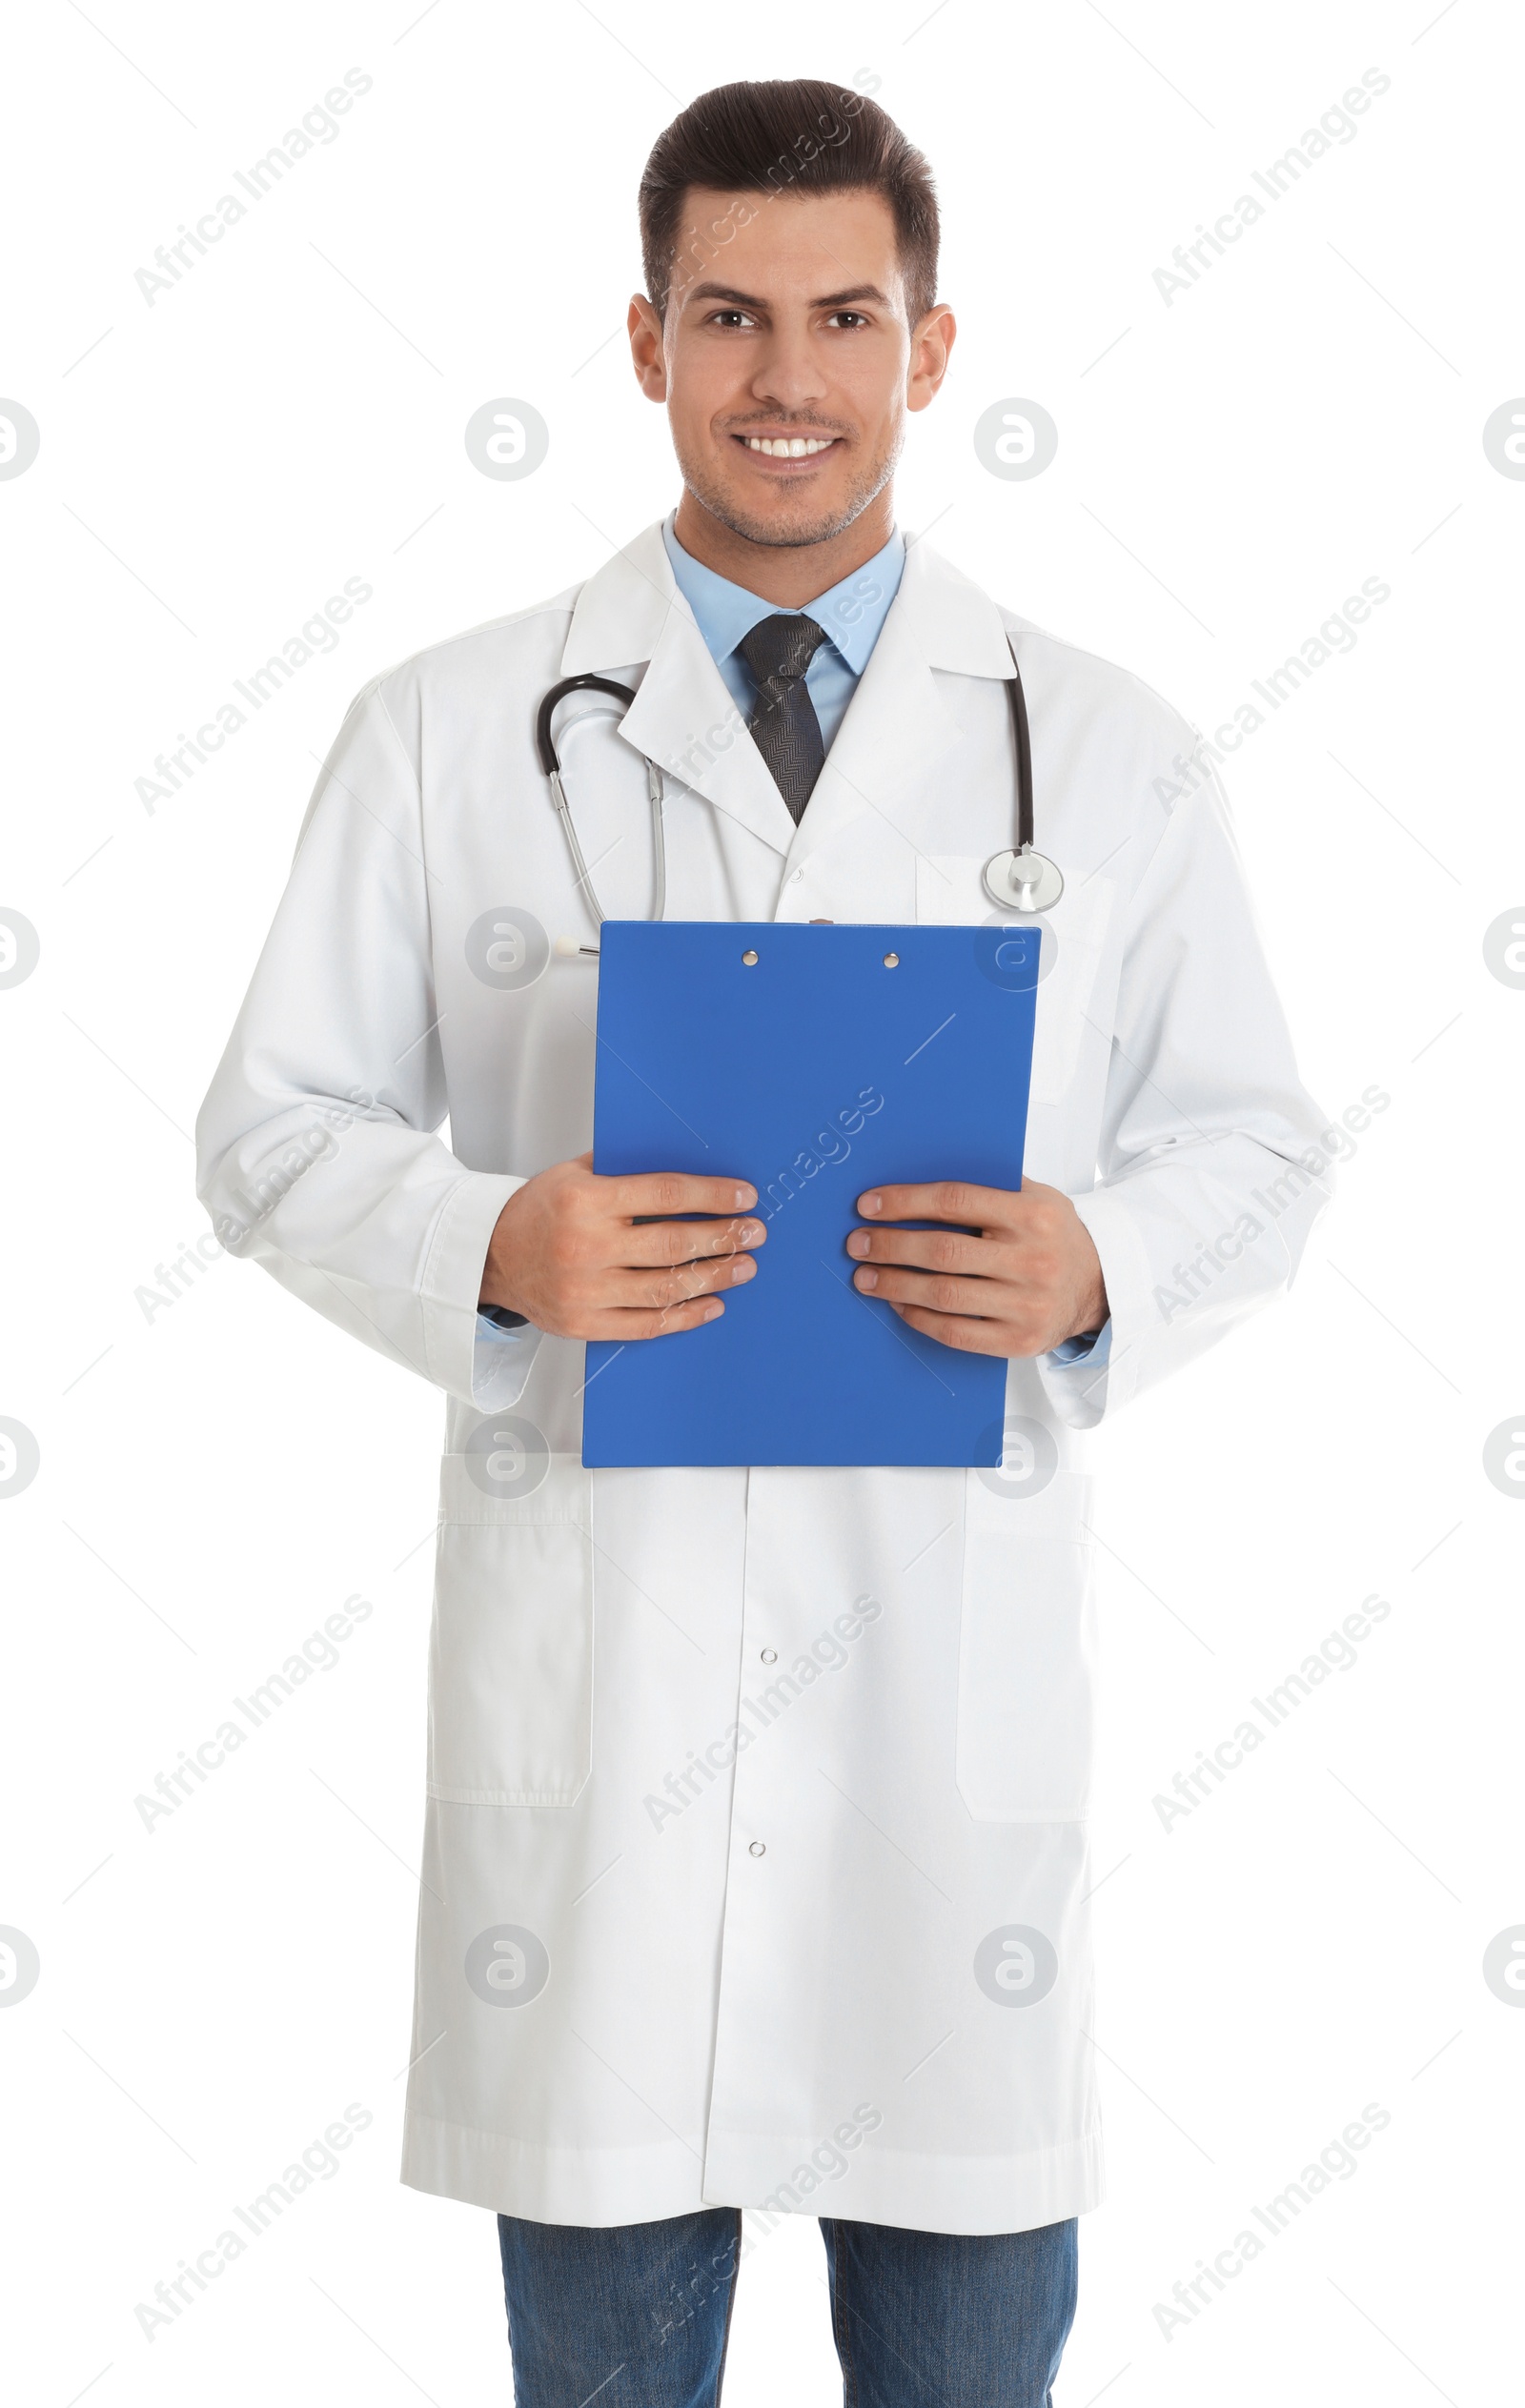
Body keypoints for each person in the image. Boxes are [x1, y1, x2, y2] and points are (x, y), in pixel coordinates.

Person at [196, 75, 1333, 2408]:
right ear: (641, 343)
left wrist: (1092, 1270)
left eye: (842, 316)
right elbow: (268, 1131)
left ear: (932, 349)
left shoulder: (1098, 751)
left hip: (947, 1723)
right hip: (600, 1736)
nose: (783, 379)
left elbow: (1258, 1150)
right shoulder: (443, 734)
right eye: (728, 314)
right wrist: (492, 1236)